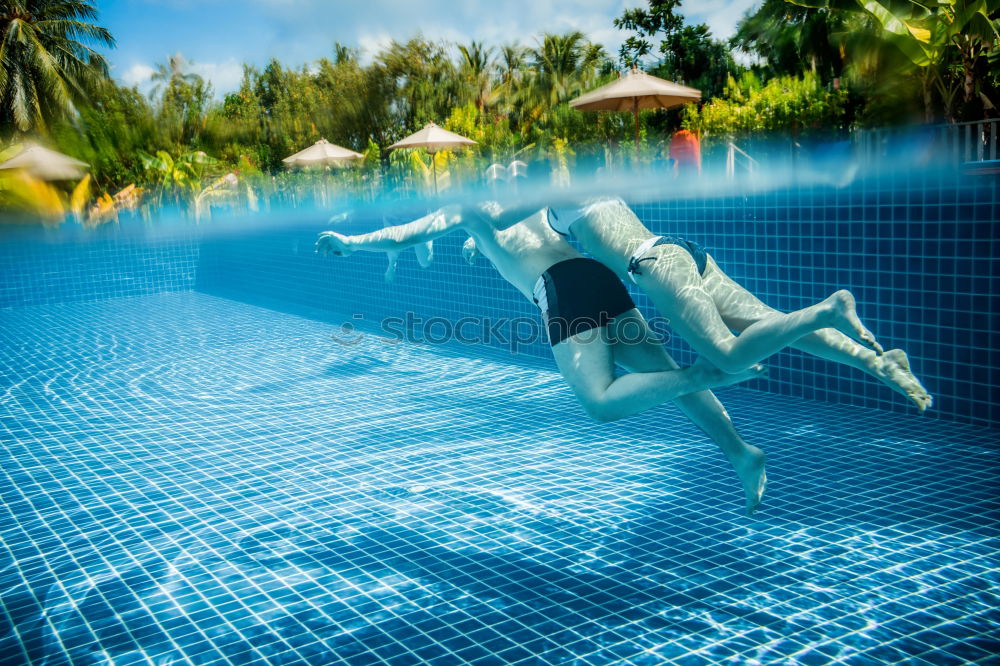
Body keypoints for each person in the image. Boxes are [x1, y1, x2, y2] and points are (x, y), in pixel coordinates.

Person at [317, 203, 769, 515]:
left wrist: (352, 242)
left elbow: (406, 233)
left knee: (601, 402)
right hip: (597, 276)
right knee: (660, 371)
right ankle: (741, 452)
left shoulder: (469, 206)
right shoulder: (526, 198)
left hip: (560, 289)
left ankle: (704, 372)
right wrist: (481, 245)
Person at [542, 197, 932, 412]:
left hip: (651, 264)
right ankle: (875, 360)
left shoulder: (557, 188)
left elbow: (508, 216)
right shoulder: (593, 184)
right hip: (677, 251)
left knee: (729, 356)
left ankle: (827, 309)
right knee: (769, 323)